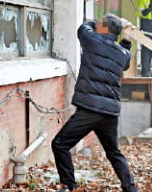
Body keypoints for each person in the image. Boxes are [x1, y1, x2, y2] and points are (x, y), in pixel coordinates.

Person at [51, 14, 137, 192]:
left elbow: (83, 27)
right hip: (110, 111)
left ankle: (68, 185)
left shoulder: (92, 40)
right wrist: (126, 38)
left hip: (91, 109)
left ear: (103, 28)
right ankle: (130, 188)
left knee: (60, 144)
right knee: (114, 152)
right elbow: (125, 61)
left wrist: (114, 22)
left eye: (100, 24)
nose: (96, 26)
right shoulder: (122, 53)